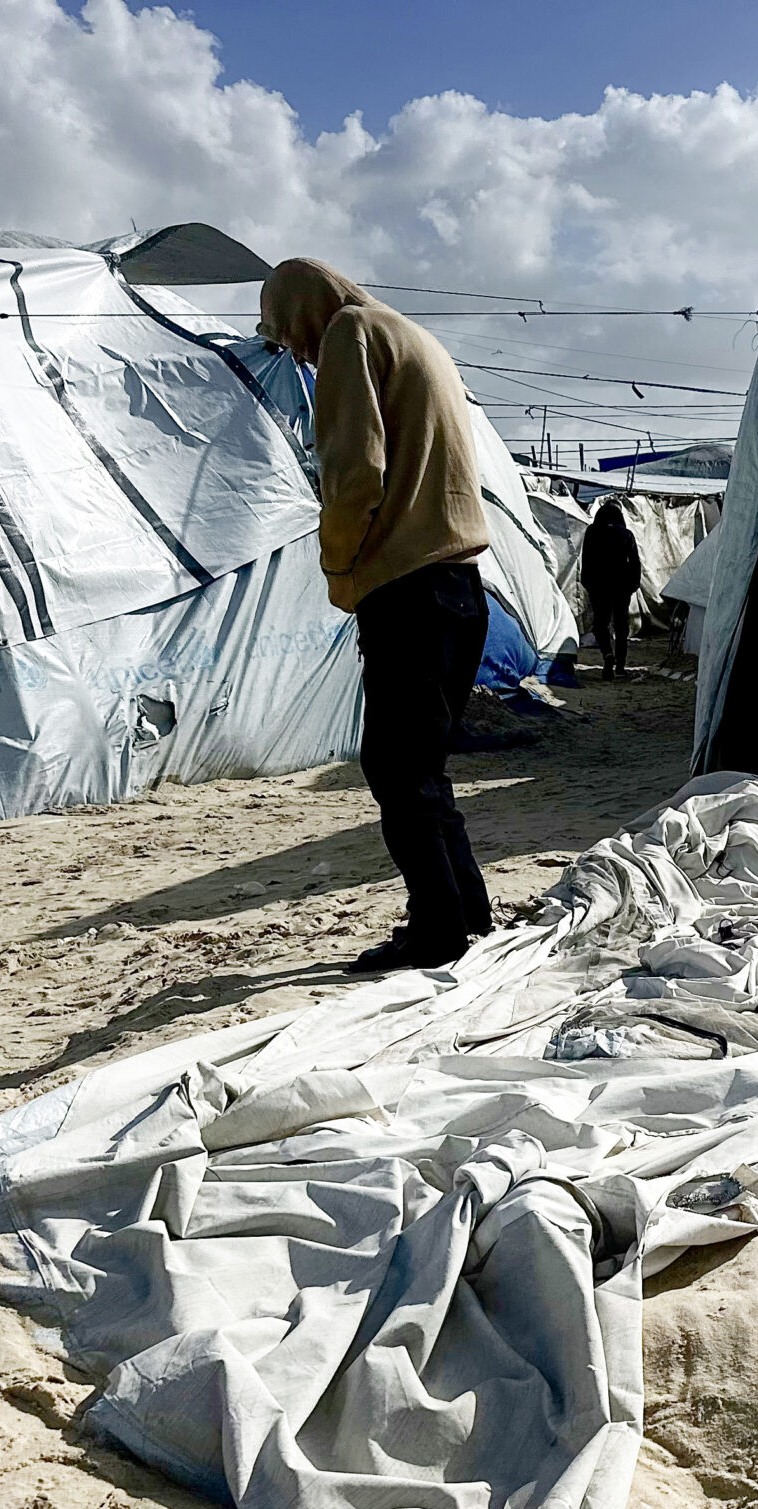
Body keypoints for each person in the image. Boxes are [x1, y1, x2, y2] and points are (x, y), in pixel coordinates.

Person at [259, 259, 495, 974]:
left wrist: (339, 567)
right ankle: (467, 912)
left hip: (407, 589)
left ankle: (437, 930)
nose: (296, 351)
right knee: (422, 767)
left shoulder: (349, 334)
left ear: (305, 309)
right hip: (461, 586)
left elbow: (355, 472)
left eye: (287, 332)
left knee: (394, 769)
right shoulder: (416, 338)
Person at [580, 499, 643, 679]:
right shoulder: (626, 534)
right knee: (621, 626)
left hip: (598, 585)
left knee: (601, 624)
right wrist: (634, 584)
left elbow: (586, 558)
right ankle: (620, 666)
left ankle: (607, 654)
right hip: (622, 586)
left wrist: (587, 582)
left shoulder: (592, 532)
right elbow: (635, 562)